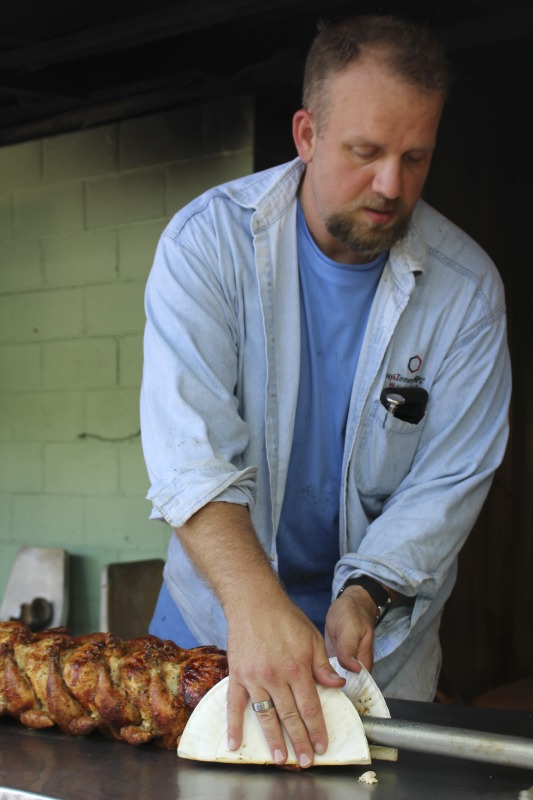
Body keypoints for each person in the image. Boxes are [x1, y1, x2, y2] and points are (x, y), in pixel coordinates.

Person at [140, 15, 510, 768]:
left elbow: (447, 481)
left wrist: (365, 594)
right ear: (306, 134)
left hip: (376, 650)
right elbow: (190, 457)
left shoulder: (467, 292)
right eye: (365, 152)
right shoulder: (205, 246)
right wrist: (256, 606)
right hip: (212, 630)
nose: (390, 185)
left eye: (415, 157)